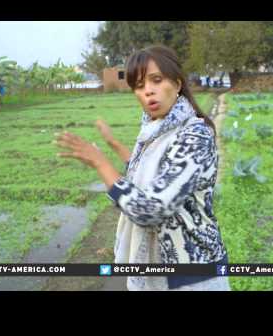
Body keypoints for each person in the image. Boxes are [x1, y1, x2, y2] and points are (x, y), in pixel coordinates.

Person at [54, 45, 230, 291]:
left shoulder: (195, 135)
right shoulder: (154, 127)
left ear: (177, 84)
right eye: (139, 85)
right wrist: (113, 144)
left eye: (156, 80)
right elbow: (145, 174)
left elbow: (151, 208)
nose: (148, 91)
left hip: (191, 274)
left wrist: (100, 162)